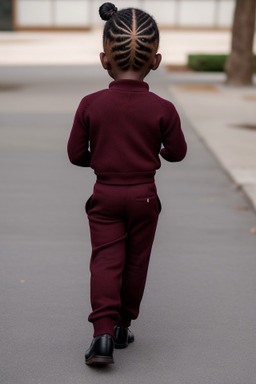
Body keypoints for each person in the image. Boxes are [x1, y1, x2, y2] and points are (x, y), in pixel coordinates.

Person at [67, 2, 187, 366]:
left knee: (105, 261)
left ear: (105, 59)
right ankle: (123, 325)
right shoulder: (163, 108)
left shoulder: (90, 104)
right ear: (156, 60)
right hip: (144, 197)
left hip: (105, 194)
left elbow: (76, 153)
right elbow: (177, 152)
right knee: (136, 261)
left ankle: (101, 335)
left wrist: (102, 160)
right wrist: (159, 151)